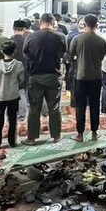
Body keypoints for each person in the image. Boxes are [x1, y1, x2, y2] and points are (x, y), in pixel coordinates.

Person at [22, 13, 67, 145]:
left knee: (34, 108)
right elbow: (63, 53)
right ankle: (56, 136)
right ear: (53, 23)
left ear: (40, 23)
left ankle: (31, 138)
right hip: (54, 75)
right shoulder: (60, 36)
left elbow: (26, 54)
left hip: (35, 76)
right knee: (54, 107)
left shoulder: (31, 36)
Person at [67, 14, 106, 141]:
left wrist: (78, 60)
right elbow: (101, 57)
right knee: (95, 105)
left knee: (80, 106)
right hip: (96, 77)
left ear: (84, 24)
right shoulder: (101, 41)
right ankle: (94, 133)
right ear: (97, 25)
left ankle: (80, 134)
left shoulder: (77, 39)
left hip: (81, 77)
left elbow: (70, 57)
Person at [0, 40, 26, 149]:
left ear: (1, 51)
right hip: (13, 96)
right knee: (12, 119)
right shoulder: (19, 65)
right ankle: (12, 141)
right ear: (14, 51)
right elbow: (22, 81)